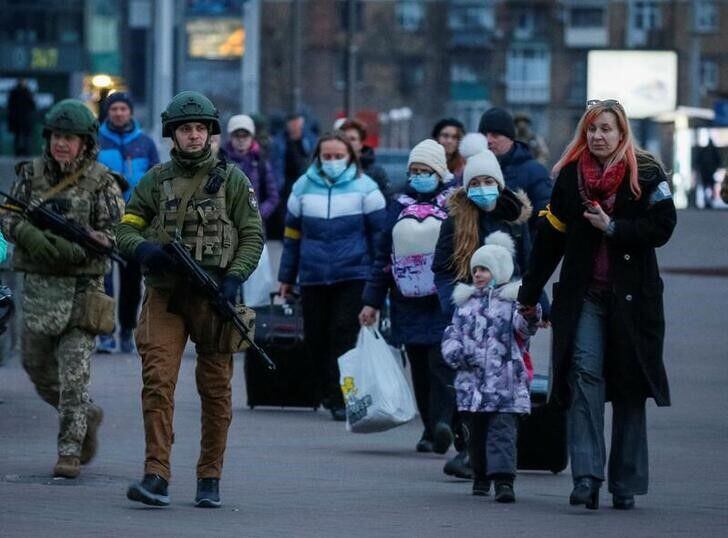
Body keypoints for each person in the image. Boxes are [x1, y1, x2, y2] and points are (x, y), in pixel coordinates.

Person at [517, 99, 677, 510]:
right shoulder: (570, 177)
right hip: (584, 294)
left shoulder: (647, 173)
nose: (597, 136)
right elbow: (549, 240)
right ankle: (587, 476)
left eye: (605, 128)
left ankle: (625, 482)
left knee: (629, 386)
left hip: (633, 300)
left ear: (621, 132)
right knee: (584, 375)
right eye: (591, 129)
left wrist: (615, 227)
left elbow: (663, 227)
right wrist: (529, 295)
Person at [116, 91, 263, 508]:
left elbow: (251, 234)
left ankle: (209, 475)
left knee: (216, 389)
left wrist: (234, 279)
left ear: (211, 133)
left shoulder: (233, 180)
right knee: (157, 381)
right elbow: (126, 227)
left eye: (201, 128)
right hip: (165, 294)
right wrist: (145, 250)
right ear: (172, 135)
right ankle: (156, 474)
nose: (194, 135)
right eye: (186, 129)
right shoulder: (155, 180)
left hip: (215, 296)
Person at [0, 99, 124, 478]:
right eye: (56, 136)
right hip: (38, 290)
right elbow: (8, 215)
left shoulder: (102, 180)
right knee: (36, 367)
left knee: (74, 375)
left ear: (85, 142)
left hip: (82, 290)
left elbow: (121, 229)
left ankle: (69, 450)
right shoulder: (30, 174)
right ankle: (87, 414)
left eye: (70, 137)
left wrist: (91, 240)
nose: (62, 144)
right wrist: (29, 236)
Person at [432, 149, 532, 479]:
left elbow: (530, 268)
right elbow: (443, 268)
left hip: (507, 317)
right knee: (468, 386)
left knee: (504, 392)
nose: (482, 187)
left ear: (500, 184)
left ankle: (496, 461)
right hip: (469, 317)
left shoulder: (515, 220)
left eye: (489, 181)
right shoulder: (456, 220)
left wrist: (535, 303)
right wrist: (453, 303)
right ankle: (469, 450)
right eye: (475, 182)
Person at [278, 132, 386, 421]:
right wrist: (286, 276)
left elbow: (380, 236)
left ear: (350, 156)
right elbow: (291, 235)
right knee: (315, 336)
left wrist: (380, 277)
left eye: (339, 156)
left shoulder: (367, 188)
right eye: (327, 156)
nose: (333, 161)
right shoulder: (302, 187)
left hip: (353, 274)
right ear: (318, 157)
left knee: (343, 333)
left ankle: (341, 397)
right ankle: (327, 389)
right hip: (313, 275)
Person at [359, 139, 456, 452]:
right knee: (420, 368)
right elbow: (383, 255)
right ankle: (429, 429)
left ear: (439, 171)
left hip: (443, 300)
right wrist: (371, 301)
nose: (418, 176)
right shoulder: (398, 203)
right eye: (414, 170)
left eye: (425, 170)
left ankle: (444, 423)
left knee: (441, 364)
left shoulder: (455, 202)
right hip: (407, 301)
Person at [442, 231, 541, 502]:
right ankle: (481, 475)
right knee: (477, 435)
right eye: (476, 269)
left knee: (503, 433)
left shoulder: (512, 304)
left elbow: (524, 329)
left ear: (499, 271)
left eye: (484, 269)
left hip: (505, 383)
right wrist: (457, 354)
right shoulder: (465, 305)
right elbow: (452, 334)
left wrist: (531, 315)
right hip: (472, 385)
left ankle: (504, 481)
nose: (478, 274)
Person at [96, 92, 160, 353]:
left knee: (133, 280)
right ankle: (105, 333)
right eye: (114, 109)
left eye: (123, 108)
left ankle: (126, 330)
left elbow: (157, 178)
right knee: (104, 279)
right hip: (102, 219)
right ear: (108, 113)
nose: (119, 113)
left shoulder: (145, 143)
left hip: (136, 221)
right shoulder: (96, 141)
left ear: (130, 112)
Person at [478, 107, 551, 235]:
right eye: (484, 135)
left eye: (495, 135)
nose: (488, 140)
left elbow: (545, 221)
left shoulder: (535, 172)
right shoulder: (473, 171)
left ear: (510, 138)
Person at [223, 114, 280, 225]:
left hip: (253, 225)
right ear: (231, 137)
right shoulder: (221, 160)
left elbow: (273, 197)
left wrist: (258, 213)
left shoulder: (260, 162)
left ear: (251, 137)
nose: (241, 140)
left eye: (245, 136)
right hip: (226, 224)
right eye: (237, 136)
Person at [269, 112, 317, 239]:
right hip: (286, 183)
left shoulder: (309, 139)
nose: (294, 126)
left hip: (305, 181)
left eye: (297, 122)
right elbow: (275, 164)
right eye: (292, 123)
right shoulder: (280, 141)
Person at [339, 118, 391, 197]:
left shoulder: (376, 172)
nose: (347, 142)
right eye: (344, 139)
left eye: (352, 139)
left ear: (361, 143)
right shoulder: (333, 168)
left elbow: (386, 201)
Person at [7, 79, 36, 157]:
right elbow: (10, 106)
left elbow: (32, 105)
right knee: (18, 136)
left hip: (25, 119)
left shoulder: (27, 92)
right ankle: (18, 152)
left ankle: (27, 152)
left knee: (26, 137)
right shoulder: (15, 92)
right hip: (17, 118)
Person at [695, 138, 721, 208]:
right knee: (709, 186)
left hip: (707, 172)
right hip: (707, 172)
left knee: (707, 186)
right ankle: (709, 200)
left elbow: (698, 160)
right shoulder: (711, 151)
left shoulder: (706, 150)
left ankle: (708, 200)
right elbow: (718, 160)